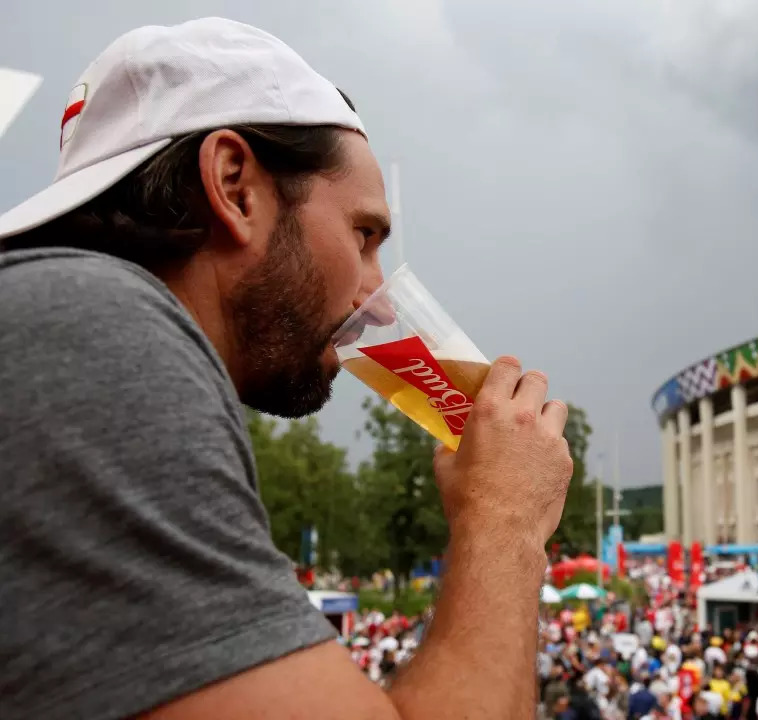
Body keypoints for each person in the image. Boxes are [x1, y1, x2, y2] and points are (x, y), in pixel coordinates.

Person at [0, 17, 573, 720]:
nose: (379, 301)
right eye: (364, 235)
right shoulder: (94, 328)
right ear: (235, 184)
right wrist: (505, 518)